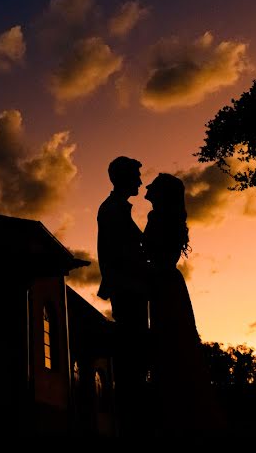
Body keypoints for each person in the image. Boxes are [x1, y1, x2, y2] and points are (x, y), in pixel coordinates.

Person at [144, 173, 225, 435]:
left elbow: (149, 250)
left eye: (154, 186)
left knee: (170, 337)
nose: (148, 188)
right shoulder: (172, 218)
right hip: (168, 281)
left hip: (162, 282)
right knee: (177, 338)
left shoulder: (157, 218)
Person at [96, 156, 150, 435]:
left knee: (136, 358)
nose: (140, 181)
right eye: (137, 176)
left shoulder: (117, 208)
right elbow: (118, 254)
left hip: (131, 288)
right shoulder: (113, 210)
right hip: (128, 290)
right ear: (125, 178)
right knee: (133, 359)